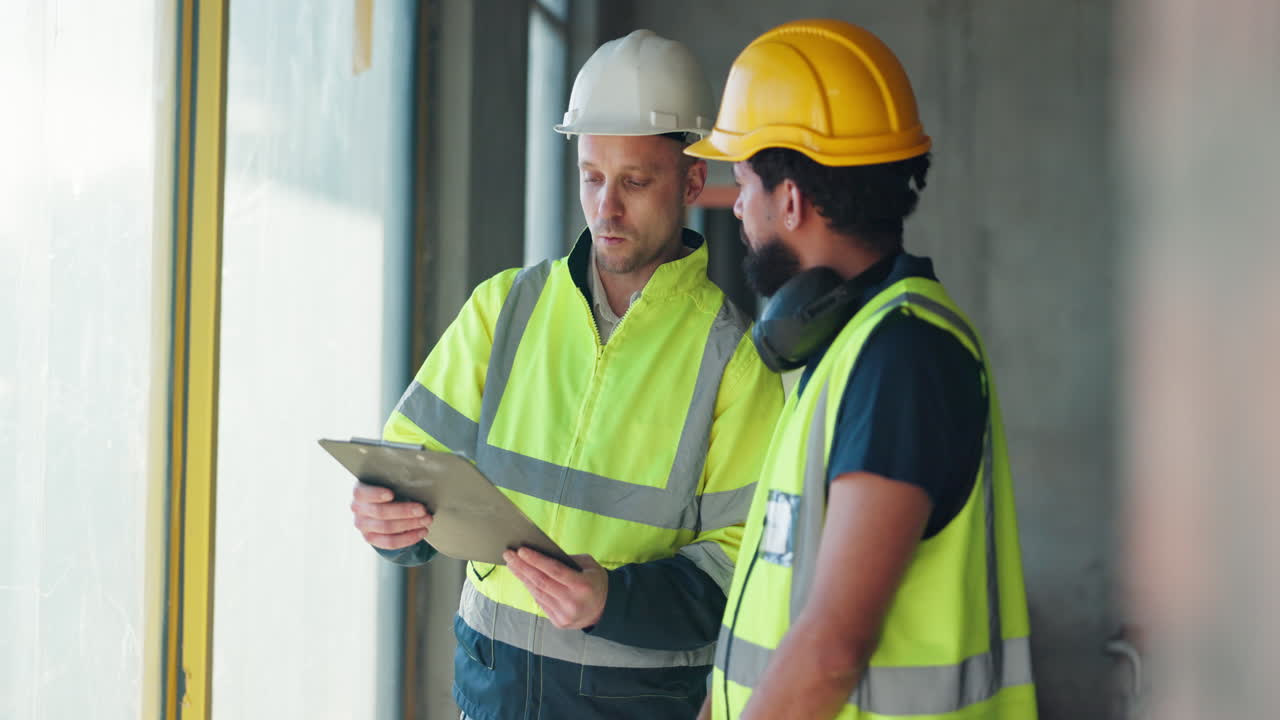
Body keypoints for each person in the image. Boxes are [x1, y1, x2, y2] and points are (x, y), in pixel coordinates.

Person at [350, 29, 784, 720]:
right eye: (591, 177)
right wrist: (385, 519)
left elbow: (743, 575)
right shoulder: (505, 308)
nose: (606, 208)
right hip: (487, 696)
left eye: (636, 182)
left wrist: (612, 601)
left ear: (694, 180)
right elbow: (408, 467)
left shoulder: (736, 361)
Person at [684, 19, 1039, 720]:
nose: (740, 208)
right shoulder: (846, 350)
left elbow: (831, 650)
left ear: (791, 200)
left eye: (743, 181)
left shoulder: (901, 359)